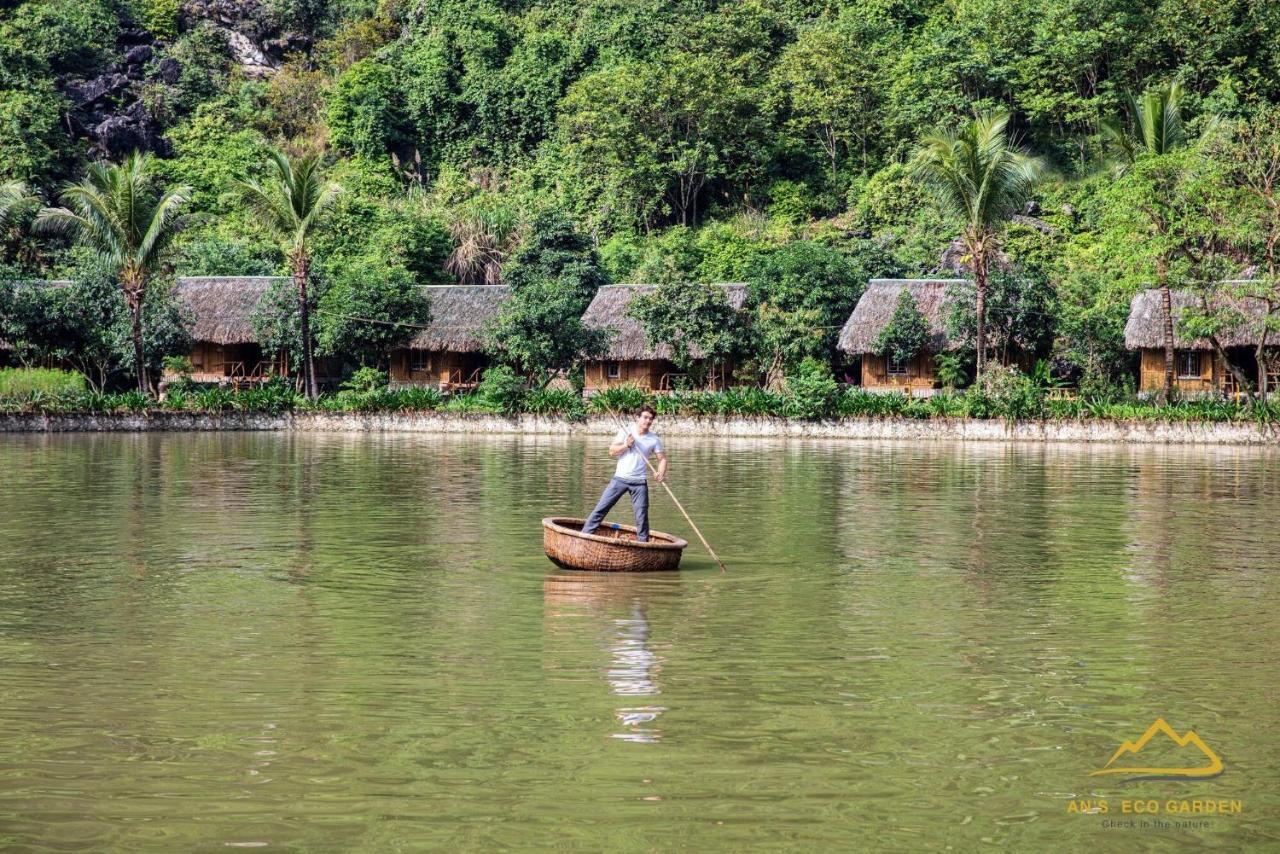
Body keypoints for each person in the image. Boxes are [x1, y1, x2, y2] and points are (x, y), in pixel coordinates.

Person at [582, 404, 667, 542]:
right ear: (637, 418)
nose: (648, 421)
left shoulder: (654, 439)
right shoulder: (626, 431)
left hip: (639, 482)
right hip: (620, 479)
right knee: (601, 509)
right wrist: (626, 445)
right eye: (645, 417)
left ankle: (643, 546)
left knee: (642, 517)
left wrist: (660, 472)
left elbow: (662, 459)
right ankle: (584, 536)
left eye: (651, 419)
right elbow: (612, 451)